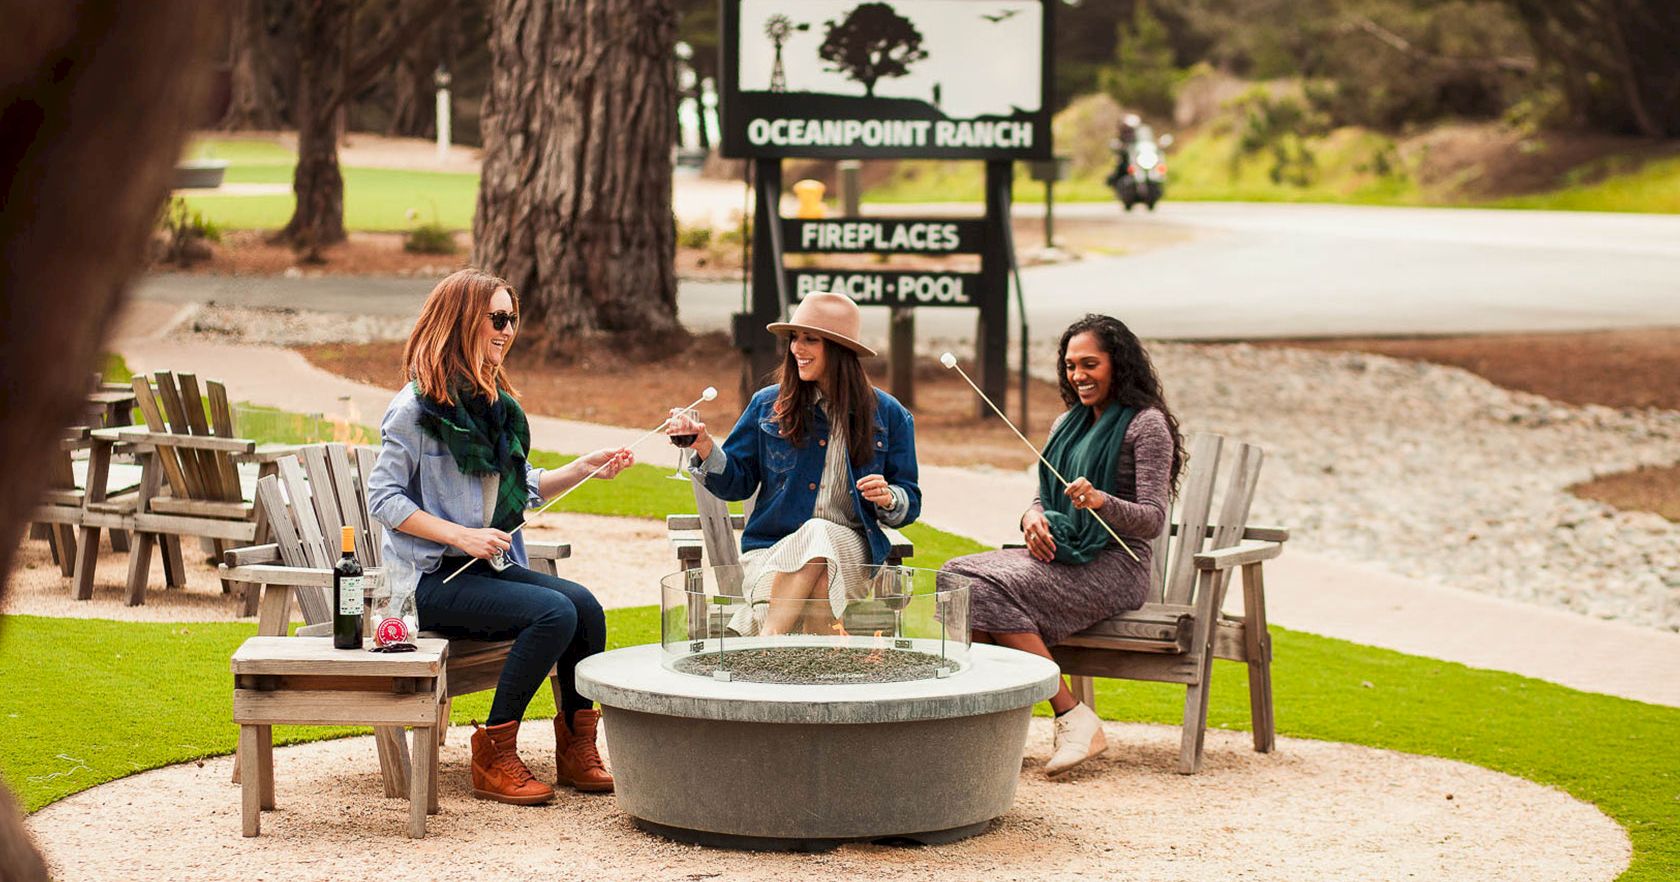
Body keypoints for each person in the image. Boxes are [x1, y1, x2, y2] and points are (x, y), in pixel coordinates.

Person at [366, 268, 633, 806]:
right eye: (498, 318)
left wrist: (581, 468)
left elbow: (523, 484)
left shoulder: (492, 406)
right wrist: (461, 535)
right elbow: (385, 499)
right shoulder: (415, 409)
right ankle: (493, 751)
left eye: (513, 318)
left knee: (586, 606)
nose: (508, 330)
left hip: (485, 571)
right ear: (463, 320)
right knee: (552, 613)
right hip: (427, 583)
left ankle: (576, 748)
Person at [940, 314, 1183, 777]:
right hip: (1060, 557)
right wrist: (1031, 518)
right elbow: (1042, 495)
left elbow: (1151, 520)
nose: (1078, 376)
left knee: (980, 590)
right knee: (955, 577)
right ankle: (985, 727)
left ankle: (1070, 715)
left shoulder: (1146, 426)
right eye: (1071, 365)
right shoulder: (1065, 424)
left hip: (1117, 565)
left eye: (1089, 363)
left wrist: (1100, 501)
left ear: (1119, 363)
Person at [667, 291, 920, 636]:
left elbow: (910, 500)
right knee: (817, 580)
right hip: (772, 553)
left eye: (810, 340)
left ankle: (764, 643)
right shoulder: (768, 405)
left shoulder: (889, 415)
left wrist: (889, 497)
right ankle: (811, 674)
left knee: (819, 532)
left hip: (850, 555)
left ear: (839, 349)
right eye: (795, 338)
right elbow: (737, 482)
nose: (796, 349)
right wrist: (706, 447)